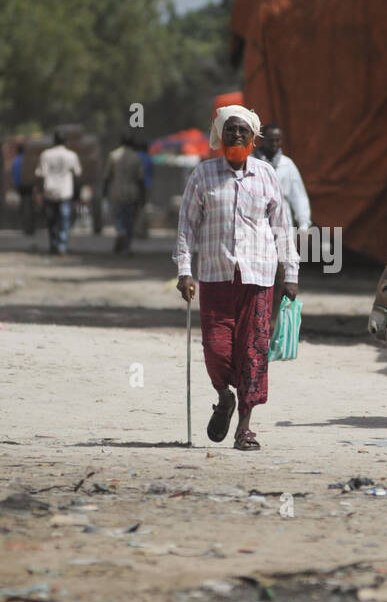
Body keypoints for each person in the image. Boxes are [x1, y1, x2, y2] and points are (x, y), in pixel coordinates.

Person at [174, 105, 298, 451]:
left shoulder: (266, 175)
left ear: (253, 137)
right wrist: (184, 271)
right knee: (216, 350)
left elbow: (282, 228)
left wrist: (291, 272)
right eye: (231, 130)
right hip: (215, 277)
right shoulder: (202, 175)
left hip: (258, 278)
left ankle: (245, 427)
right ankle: (223, 396)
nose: (238, 136)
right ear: (219, 136)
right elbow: (186, 226)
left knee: (253, 351)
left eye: (244, 131)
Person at [35, 130, 81, 255]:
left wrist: (38, 192)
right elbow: (77, 175)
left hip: (49, 191)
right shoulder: (72, 155)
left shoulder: (46, 154)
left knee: (51, 220)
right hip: (65, 191)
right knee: (64, 219)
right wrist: (77, 194)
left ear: (54, 141)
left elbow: (40, 175)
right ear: (66, 141)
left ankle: (53, 244)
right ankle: (63, 245)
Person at [257, 123, 312, 229]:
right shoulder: (251, 162)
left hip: (282, 220)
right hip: (258, 218)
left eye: (277, 140)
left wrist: (303, 222)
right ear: (262, 140)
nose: (274, 143)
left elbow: (298, 194)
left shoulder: (287, 164)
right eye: (271, 140)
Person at [103, 134, 146, 254]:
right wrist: (143, 196)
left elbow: (107, 176)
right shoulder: (136, 157)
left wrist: (104, 192)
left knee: (118, 217)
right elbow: (140, 179)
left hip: (116, 192)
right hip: (132, 193)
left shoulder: (113, 155)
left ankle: (120, 231)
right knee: (130, 221)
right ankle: (127, 247)